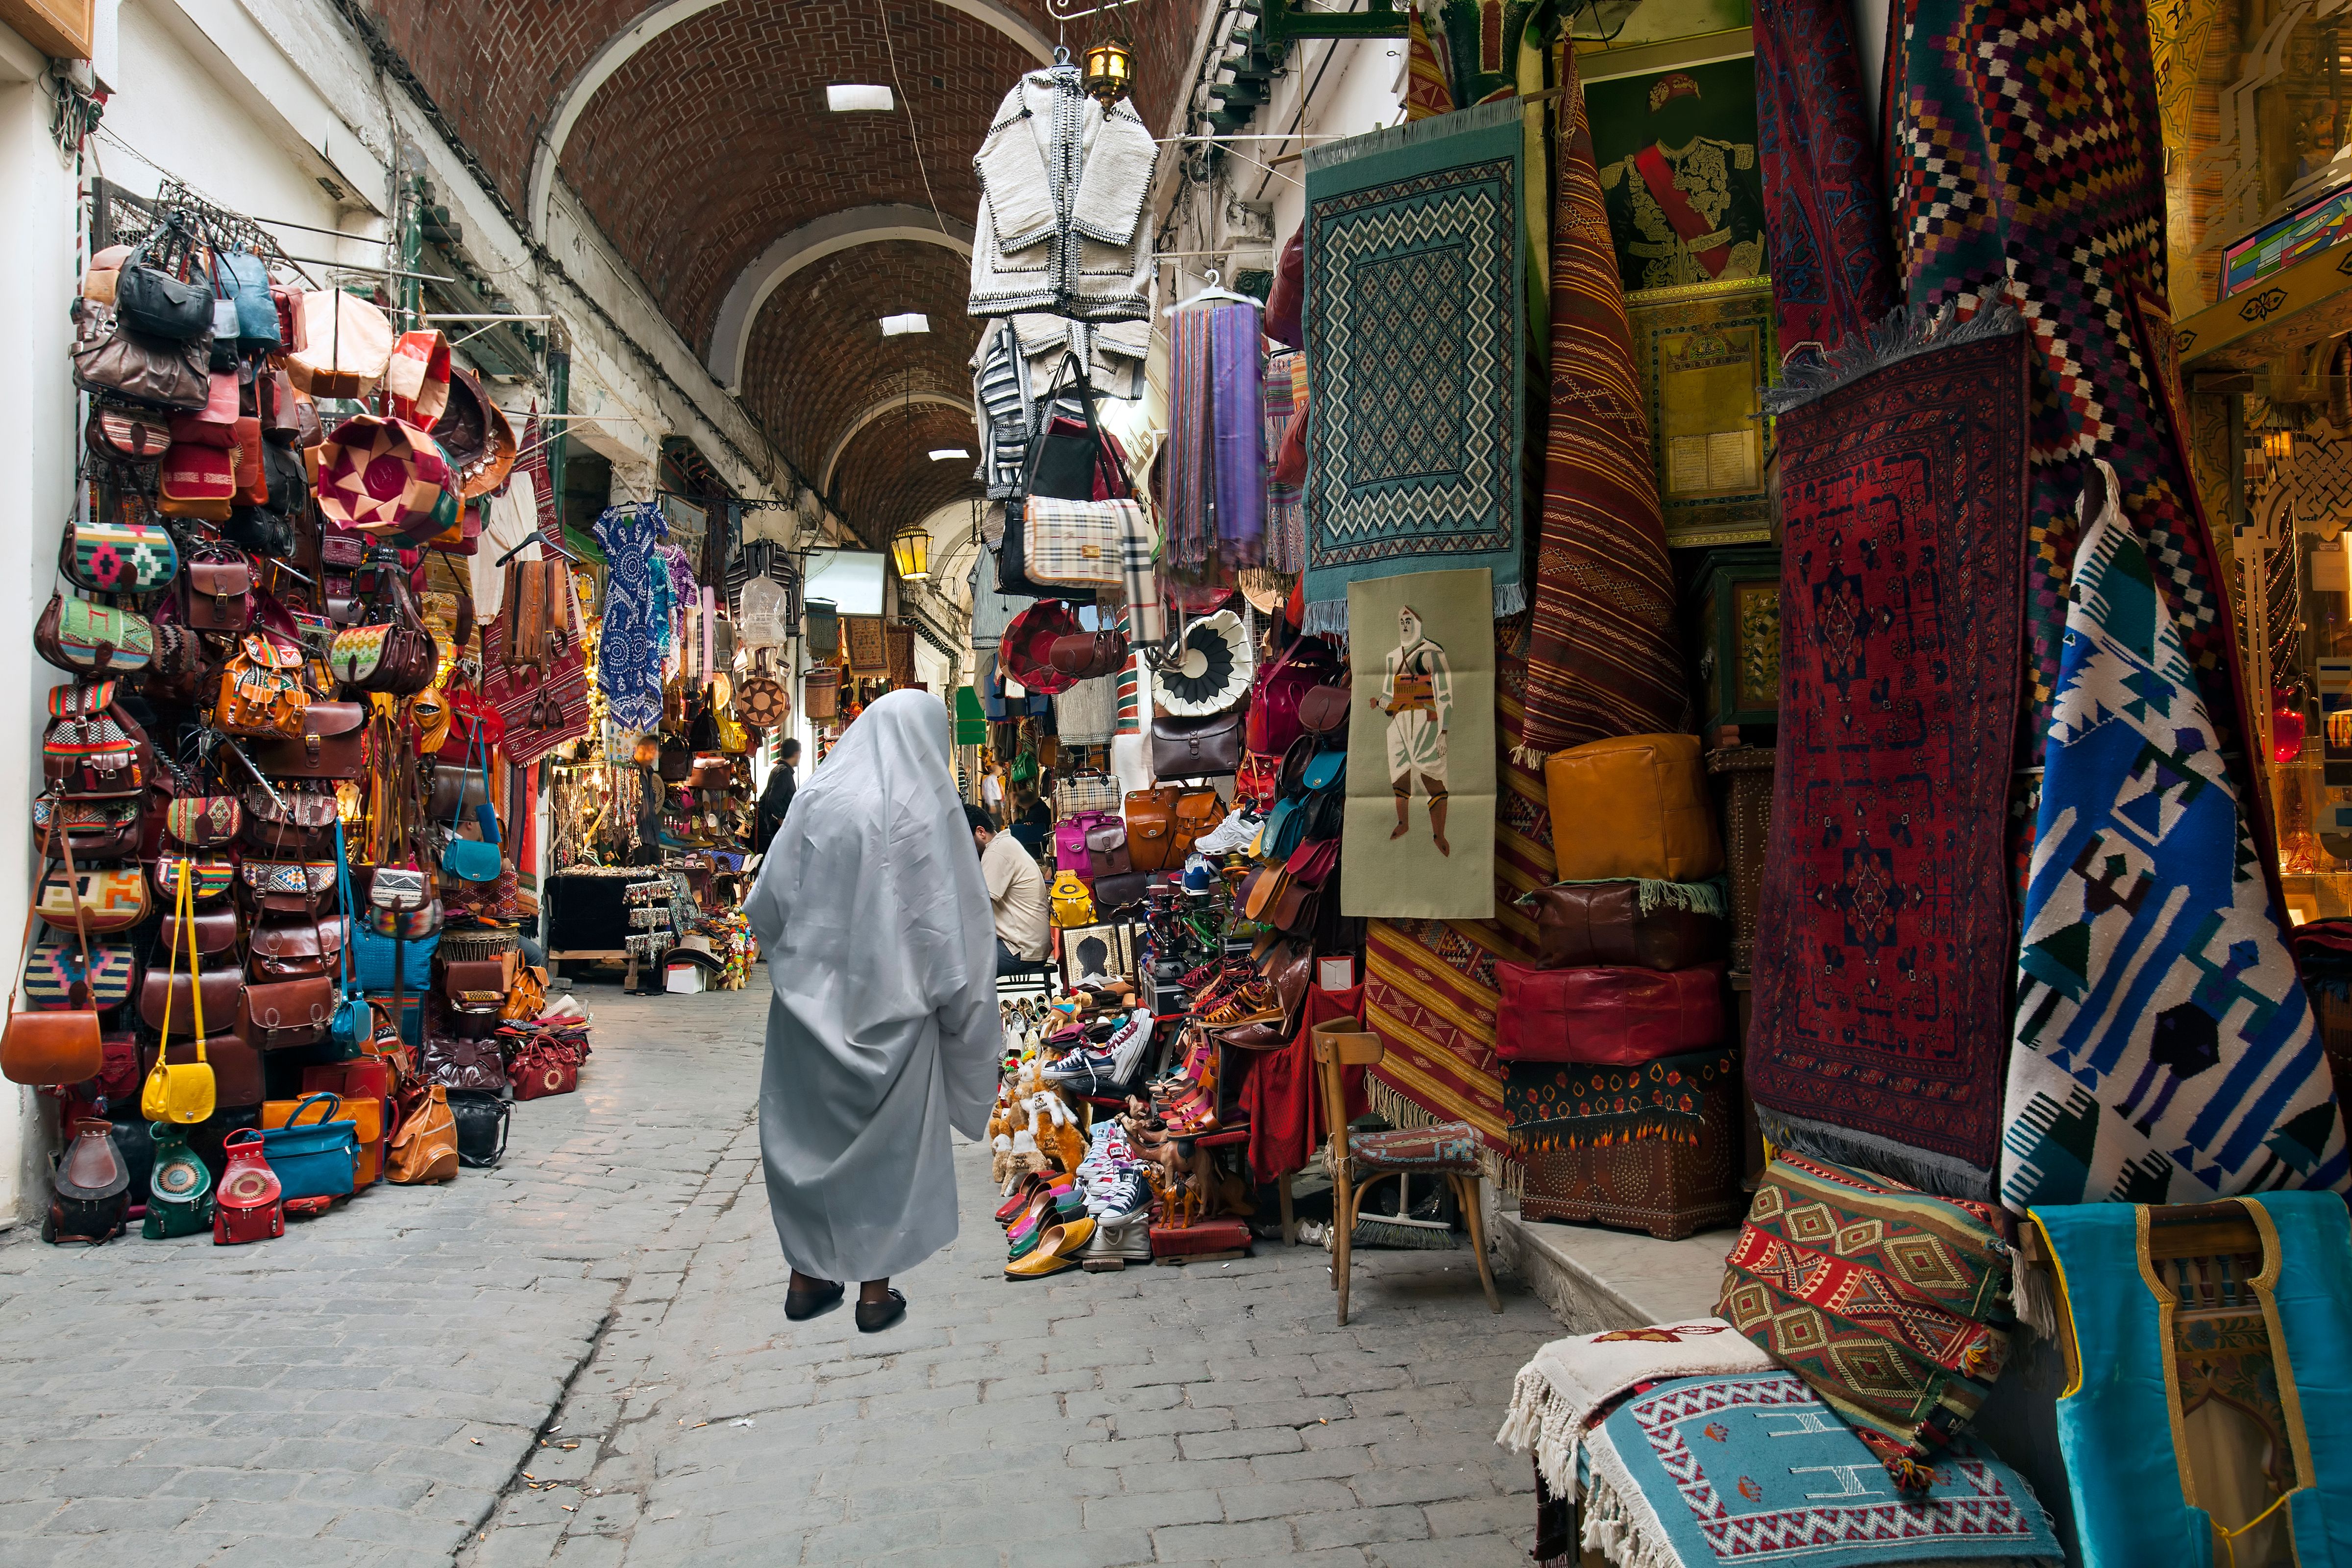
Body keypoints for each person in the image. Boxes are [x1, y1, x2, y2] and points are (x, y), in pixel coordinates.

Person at [743, 692, 998, 1334]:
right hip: (894, 1021)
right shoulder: (926, 809)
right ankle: (874, 1294)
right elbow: (954, 925)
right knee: (885, 1160)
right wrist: (959, 1015)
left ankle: (806, 1281)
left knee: (806, 1146)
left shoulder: (820, 799)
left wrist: (805, 973)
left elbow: (766, 902)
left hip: (804, 1019)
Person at [1372, 603, 1453, 855]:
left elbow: (1445, 694)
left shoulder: (1433, 653)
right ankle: (1403, 823)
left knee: (1432, 776)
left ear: (1418, 624)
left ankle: (1439, 834)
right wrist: (1385, 702)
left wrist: (1444, 731)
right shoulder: (1392, 657)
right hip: (1399, 724)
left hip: (1426, 723)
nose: (1406, 626)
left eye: (1409, 622)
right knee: (1400, 775)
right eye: (1402, 622)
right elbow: (1388, 693)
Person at [968, 803, 1052, 977]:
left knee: (951, 966)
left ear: (981, 832)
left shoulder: (996, 851)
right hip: (1028, 945)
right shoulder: (1007, 843)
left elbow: (977, 907)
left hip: (1020, 950)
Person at [753, 739, 799, 853]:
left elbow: (763, 801)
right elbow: (773, 799)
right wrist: (781, 818)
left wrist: (769, 821)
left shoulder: (778, 770)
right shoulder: (784, 773)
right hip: (779, 829)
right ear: (796, 754)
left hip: (773, 828)